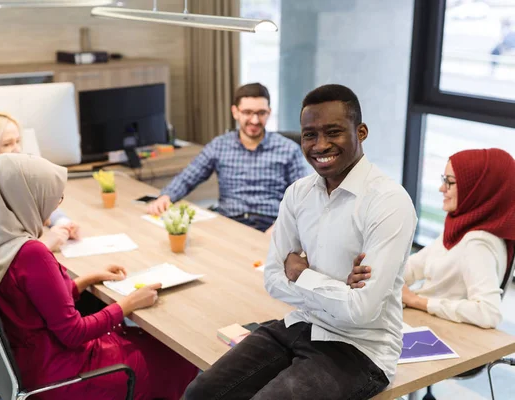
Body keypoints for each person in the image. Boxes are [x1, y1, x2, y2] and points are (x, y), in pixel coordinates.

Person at [184, 84, 417, 400]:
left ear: (360, 132)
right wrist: (338, 289)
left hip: (360, 349)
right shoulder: (299, 194)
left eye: (333, 132)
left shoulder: (389, 203)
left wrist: (302, 274)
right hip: (300, 324)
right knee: (200, 392)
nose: (320, 145)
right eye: (310, 135)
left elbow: (361, 311)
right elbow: (273, 280)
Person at [0, 153, 198, 400]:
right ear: (26, 199)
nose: (54, 208)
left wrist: (86, 279)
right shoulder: (31, 253)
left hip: (27, 364)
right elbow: (73, 333)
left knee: (145, 340)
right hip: (63, 373)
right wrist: (129, 304)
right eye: (52, 198)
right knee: (175, 355)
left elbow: (33, 305)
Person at [350, 148, 515, 329]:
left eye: (449, 182)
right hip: (426, 323)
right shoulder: (460, 232)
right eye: (443, 180)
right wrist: (370, 272)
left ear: (477, 189)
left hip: (443, 333)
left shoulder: (477, 243)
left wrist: (416, 300)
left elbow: (488, 313)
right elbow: (412, 268)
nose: (441, 188)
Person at [147, 83, 311, 234]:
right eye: (247, 112)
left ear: (268, 112)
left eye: (261, 113)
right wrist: (166, 197)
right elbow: (189, 176)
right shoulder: (220, 145)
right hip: (229, 224)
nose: (254, 120)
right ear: (235, 112)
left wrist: (281, 229)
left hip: (271, 226)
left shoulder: (288, 150)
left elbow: (303, 200)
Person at [0, 110, 79, 251]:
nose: (18, 150)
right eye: (7, 144)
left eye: (18, 141)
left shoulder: (10, 181)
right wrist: (45, 245)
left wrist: (63, 223)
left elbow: (41, 205)